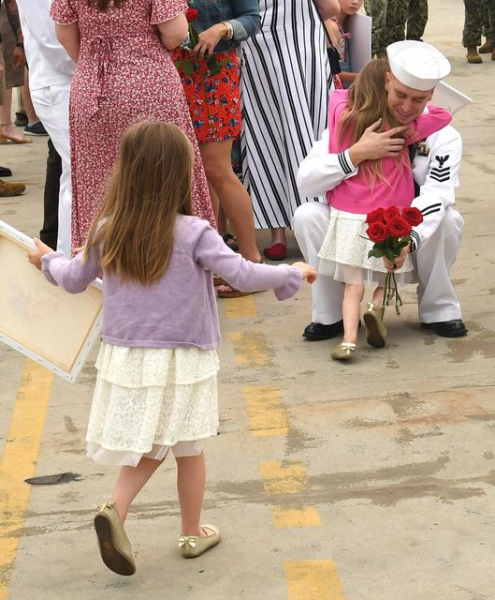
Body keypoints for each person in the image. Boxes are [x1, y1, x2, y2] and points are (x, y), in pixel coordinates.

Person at [28, 121, 316, 576]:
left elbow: (71, 278)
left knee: (180, 444)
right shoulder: (196, 232)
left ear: (127, 172)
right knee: (170, 444)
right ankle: (122, 511)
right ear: (182, 174)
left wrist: (47, 259)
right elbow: (242, 274)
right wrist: (292, 274)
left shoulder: (108, 229)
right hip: (183, 355)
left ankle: (188, 529)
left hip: (127, 354)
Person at [294, 40, 468, 344]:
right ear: (387, 81)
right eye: (400, 95)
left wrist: (408, 238)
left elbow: (438, 194)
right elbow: (307, 182)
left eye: (418, 100)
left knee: (449, 220)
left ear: (431, 95)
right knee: (307, 216)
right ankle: (329, 314)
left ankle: (439, 308)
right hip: (352, 223)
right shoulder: (354, 120)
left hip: (409, 227)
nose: (406, 106)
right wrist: (355, 154)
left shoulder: (444, 135)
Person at [50, 0, 214, 252]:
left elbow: (65, 34)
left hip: (92, 86)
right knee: (161, 171)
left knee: (99, 179)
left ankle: (104, 267)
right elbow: (175, 32)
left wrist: (93, 59)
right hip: (146, 79)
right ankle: (166, 260)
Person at [173, 0, 263, 298]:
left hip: (215, 72)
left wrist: (222, 29)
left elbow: (252, 19)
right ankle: (214, 258)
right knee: (192, 171)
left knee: (216, 168)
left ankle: (251, 262)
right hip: (175, 71)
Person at [241, 0, 340, 262]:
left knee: (266, 132)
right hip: (301, 46)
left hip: (257, 48)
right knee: (311, 131)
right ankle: (318, 226)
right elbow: (331, 7)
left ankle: (278, 236)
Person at [17, 0, 75, 255]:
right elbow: (52, 43)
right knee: (78, 174)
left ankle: (65, 257)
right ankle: (67, 258)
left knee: (73, 173)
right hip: (58, 83)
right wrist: (96, 67)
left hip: (69, 78)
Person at [325, 0, 363, 89]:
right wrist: (363, 77)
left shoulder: (353, 21)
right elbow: (331, 71)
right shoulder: (331, 26)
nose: (355, 2)